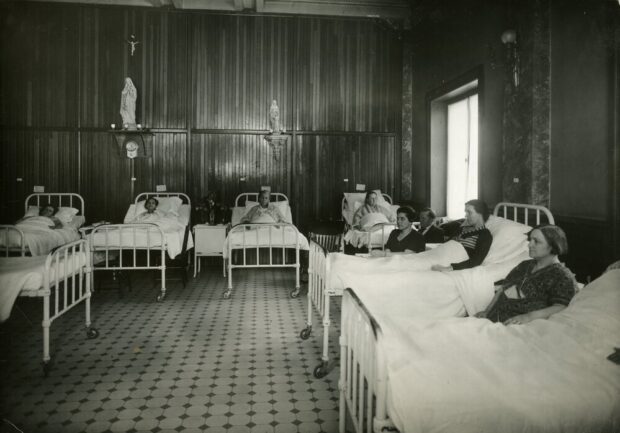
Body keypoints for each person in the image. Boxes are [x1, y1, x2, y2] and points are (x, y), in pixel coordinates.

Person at [477, 224, 577, 325]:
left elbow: (561, 307)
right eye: (530, 240)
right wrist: (487, 312)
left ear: (553, 246)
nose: (529, 244)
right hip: (493, 320)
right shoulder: (524, 265)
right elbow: (502, 289)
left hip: (522, 326)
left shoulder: (562, 276)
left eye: (536, 241)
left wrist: (528, 317)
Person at [431, 199, 492, 271]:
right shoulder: (462, 229)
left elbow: (476, 261)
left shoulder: (485, 235)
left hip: (448, 264)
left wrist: (449, 268)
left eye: (469, 212)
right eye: (466, 212)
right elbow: (446, 244)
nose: (466, 215)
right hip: (438, 256)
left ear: (480, 214)